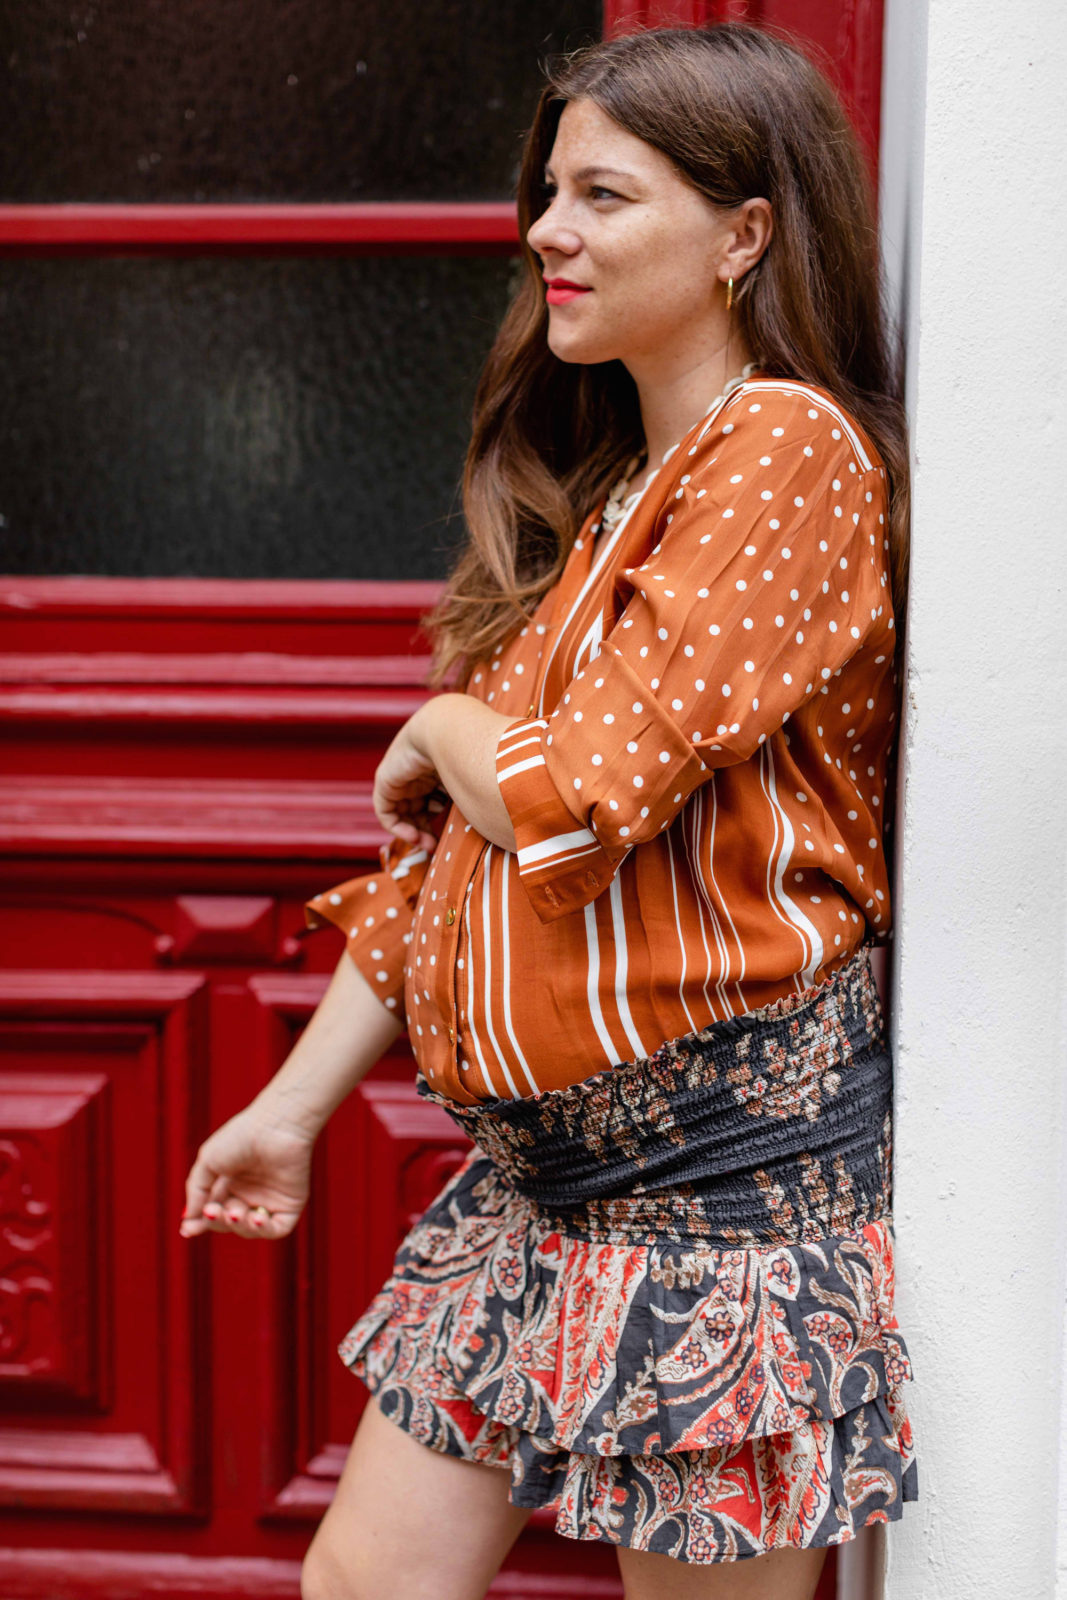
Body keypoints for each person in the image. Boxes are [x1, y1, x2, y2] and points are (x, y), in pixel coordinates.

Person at [180, 22, 917, 1599]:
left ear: (744, 234)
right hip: (538, 1183)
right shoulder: (613, 504)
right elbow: (457, 867)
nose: (544, 232)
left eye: (602, 196)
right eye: (548, 191)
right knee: (363, 1585)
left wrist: (444, 726)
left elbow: (572, 801)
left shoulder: (786, 448)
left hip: (724, 1198)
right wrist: (293, 1110)